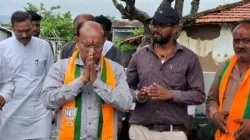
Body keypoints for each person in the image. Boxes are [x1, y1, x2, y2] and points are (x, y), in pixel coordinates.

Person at [42, 21, 133, 140]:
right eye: (87, 46)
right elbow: (47, 101)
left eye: (97, 46)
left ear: (104, 42)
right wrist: (82, 80)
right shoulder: (60, 68)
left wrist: (97, 82)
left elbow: (126, 104)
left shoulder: (116, 69)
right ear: (77, 41)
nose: (92, 51)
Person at [126, 6, 205, 140]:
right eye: (154, 24)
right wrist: (138, 95)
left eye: (161, 25)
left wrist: (171, 95)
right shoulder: (139, 55)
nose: (156, 29)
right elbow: (124, 88)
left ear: (175, 29)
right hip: (140, 131)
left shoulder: (189, 58)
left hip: (173, 132)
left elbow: (199, 95)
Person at [0, 11, 54, 140]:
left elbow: (51, 77)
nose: (24, 34)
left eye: (28, 30)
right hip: (11, 113)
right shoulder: (2, 47)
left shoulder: (44, 46)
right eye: (19, 31)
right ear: (12, 28)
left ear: (32, 27)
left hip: (39, 112)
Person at [206, 21, 250, 140]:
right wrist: (214, 114)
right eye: (236, 41)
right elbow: (211, 99)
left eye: (246, 41)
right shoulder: (224, 68)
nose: (240, 46)